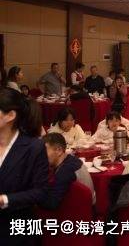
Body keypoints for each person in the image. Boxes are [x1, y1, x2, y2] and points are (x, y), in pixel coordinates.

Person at [0, 88, 48, 246]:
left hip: (19, 227)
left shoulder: (34, 147)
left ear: (10, 116)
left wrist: (4, 200)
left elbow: (41, 192)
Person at [40, 132, 95, 208]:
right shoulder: (71, 160)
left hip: (80, 210)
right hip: (82, 205)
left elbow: (52, 204)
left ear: (59, 150)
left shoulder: (65, 171)